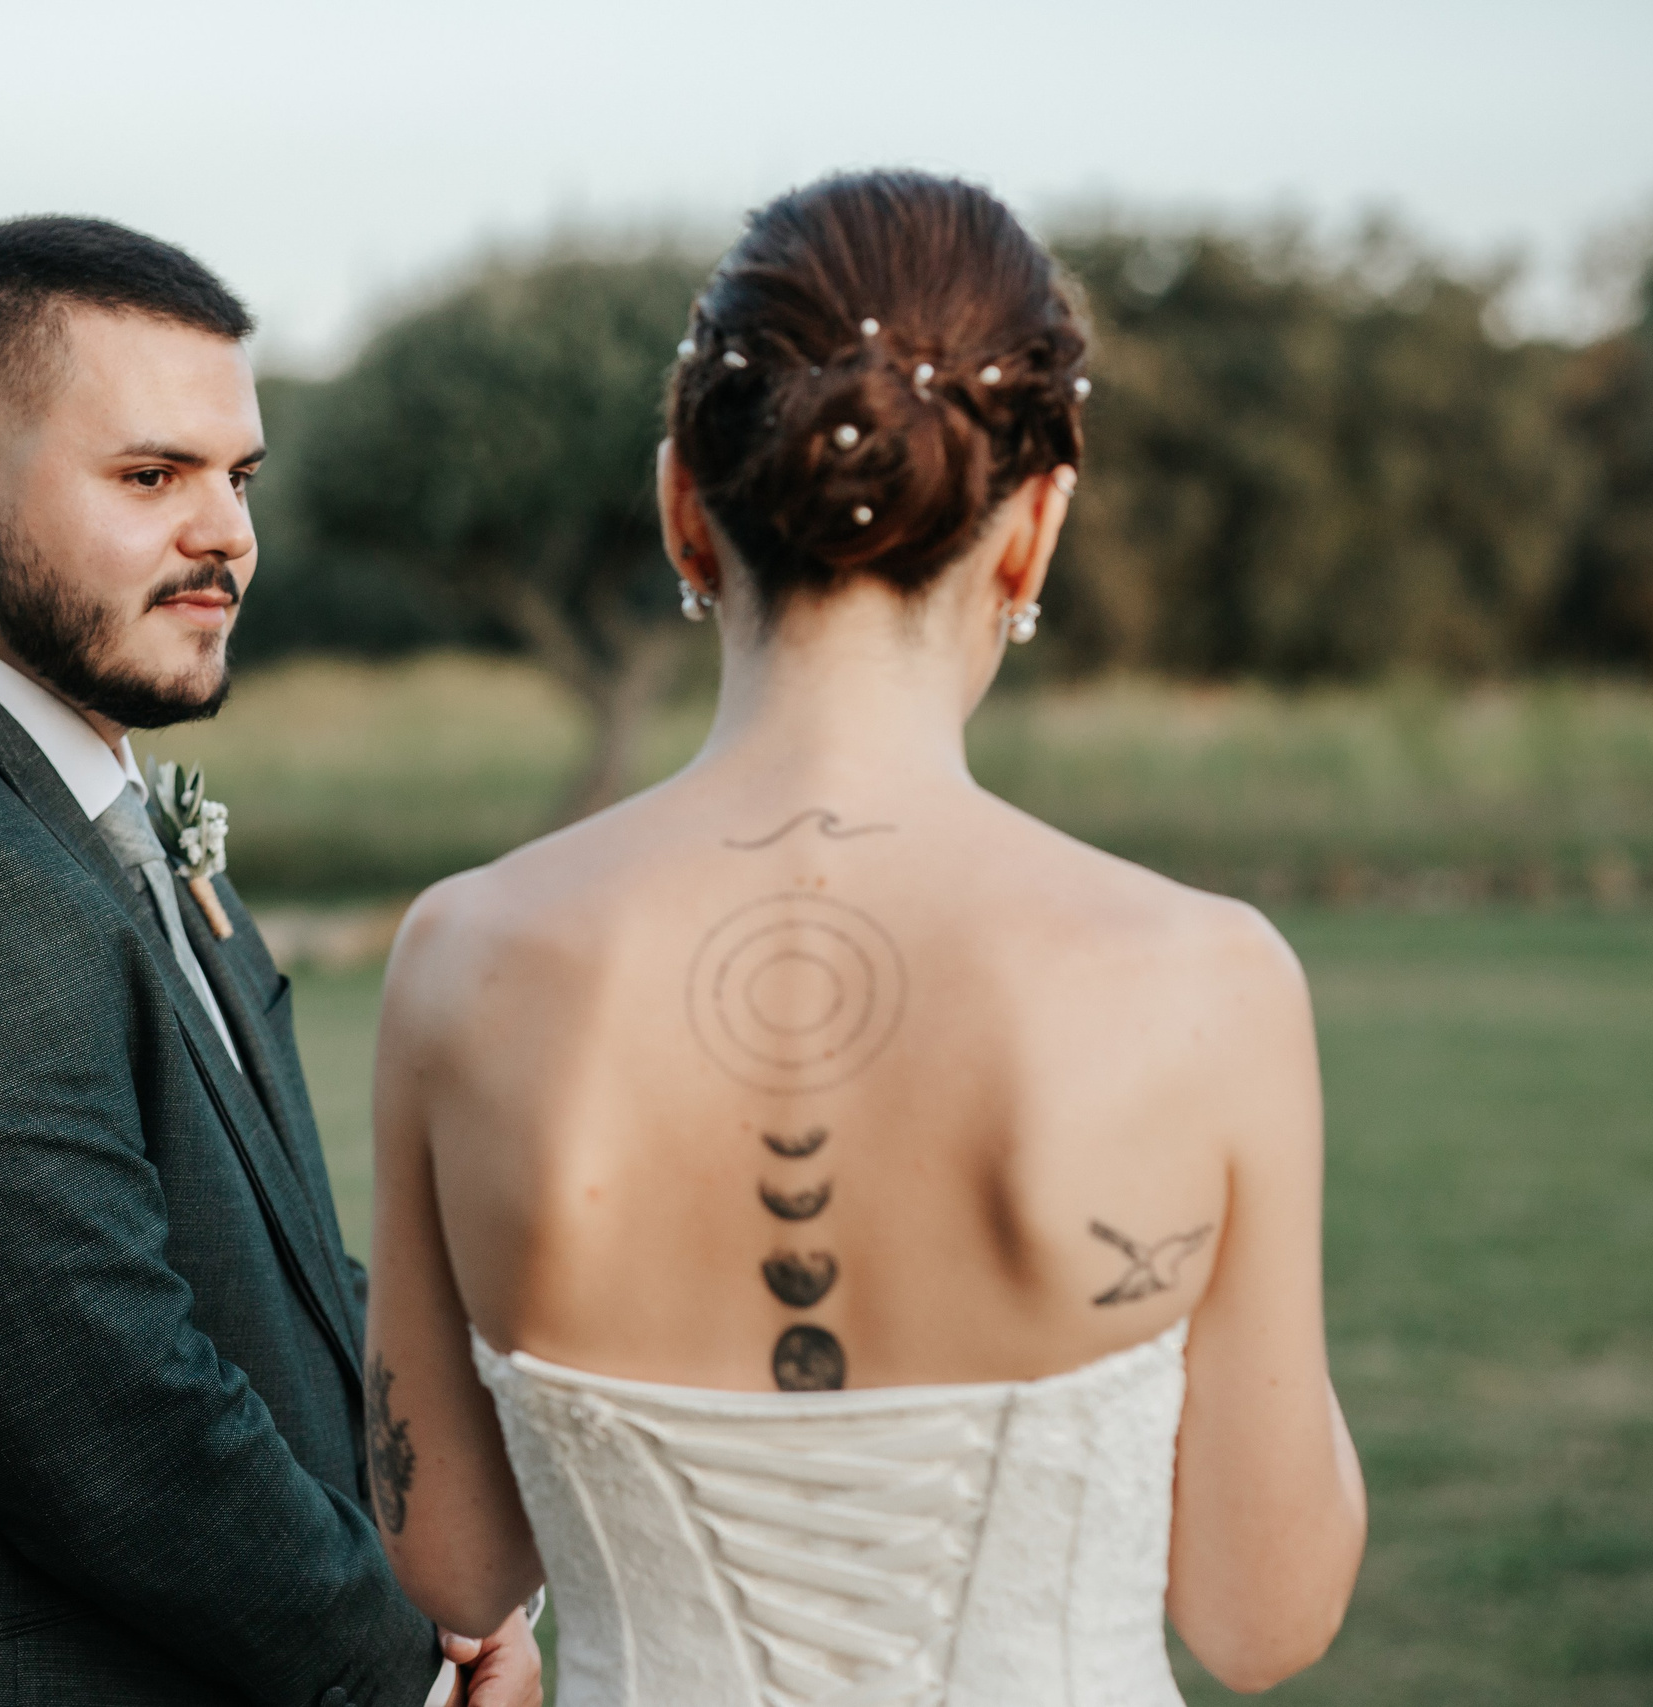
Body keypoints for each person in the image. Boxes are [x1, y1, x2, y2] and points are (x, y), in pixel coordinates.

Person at [363, 171, 1368, 1704]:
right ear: (1034, 531)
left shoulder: (464, 959)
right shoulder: (1204, 983)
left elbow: (452, 1563)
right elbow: (1260, 1613)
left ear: (682, 509)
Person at [0, 216, 539, 1706]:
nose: (227, 535)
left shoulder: (77, 805)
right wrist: (411, 1677)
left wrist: (468, 1541)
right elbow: (113, 1421)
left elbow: (257, 1270)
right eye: (152, 477)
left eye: (238, 479)